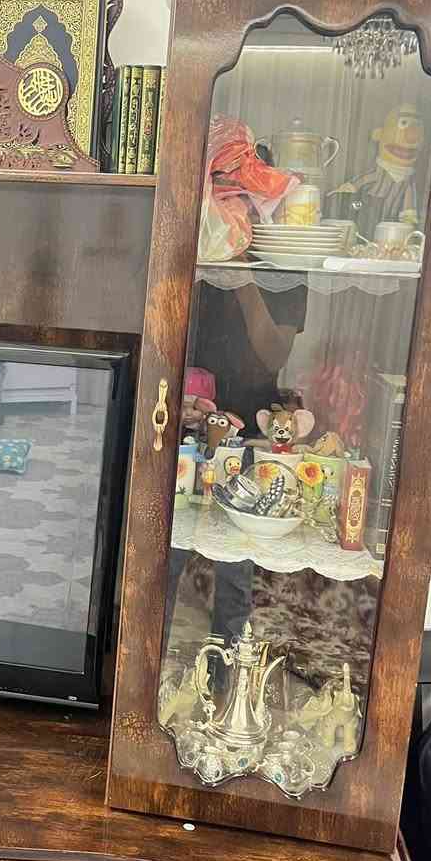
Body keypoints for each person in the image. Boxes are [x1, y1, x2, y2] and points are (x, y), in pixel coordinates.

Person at [162, 277, 308, 653]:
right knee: (165, 558)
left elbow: (273, 355)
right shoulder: (203, 258)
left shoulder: (285, 273)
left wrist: (242, 278)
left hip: (248, 433)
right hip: (184, 425)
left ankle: (224, 676)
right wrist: (181, 402)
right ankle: (150, 668)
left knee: (235, 571)